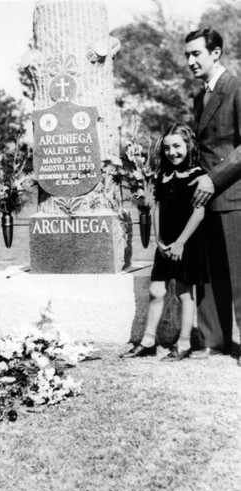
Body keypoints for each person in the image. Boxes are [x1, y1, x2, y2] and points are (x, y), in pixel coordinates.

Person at [121, 123, 206, 360]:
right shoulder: (163, 176)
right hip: (165, 242)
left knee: (183, 292)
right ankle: (148, 341)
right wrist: (159, 238)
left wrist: (180, 242)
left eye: (177, 146)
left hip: (186, 242)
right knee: (156, 290)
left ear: (188, 145)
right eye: (167, 148)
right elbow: (157, 207)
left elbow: (199, 212)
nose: (172, 152)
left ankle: (185, 343)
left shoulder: (198, 176)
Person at [184, 28, 241, 364]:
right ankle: (213, 340)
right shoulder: (200, 96)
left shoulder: (235, 87)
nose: (190, 61)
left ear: (215, 53)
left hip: (233, 195)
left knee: (238, 273)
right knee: (209, 273)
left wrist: (214, 179)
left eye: (196, 54)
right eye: (187, 55)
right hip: (204, 199)